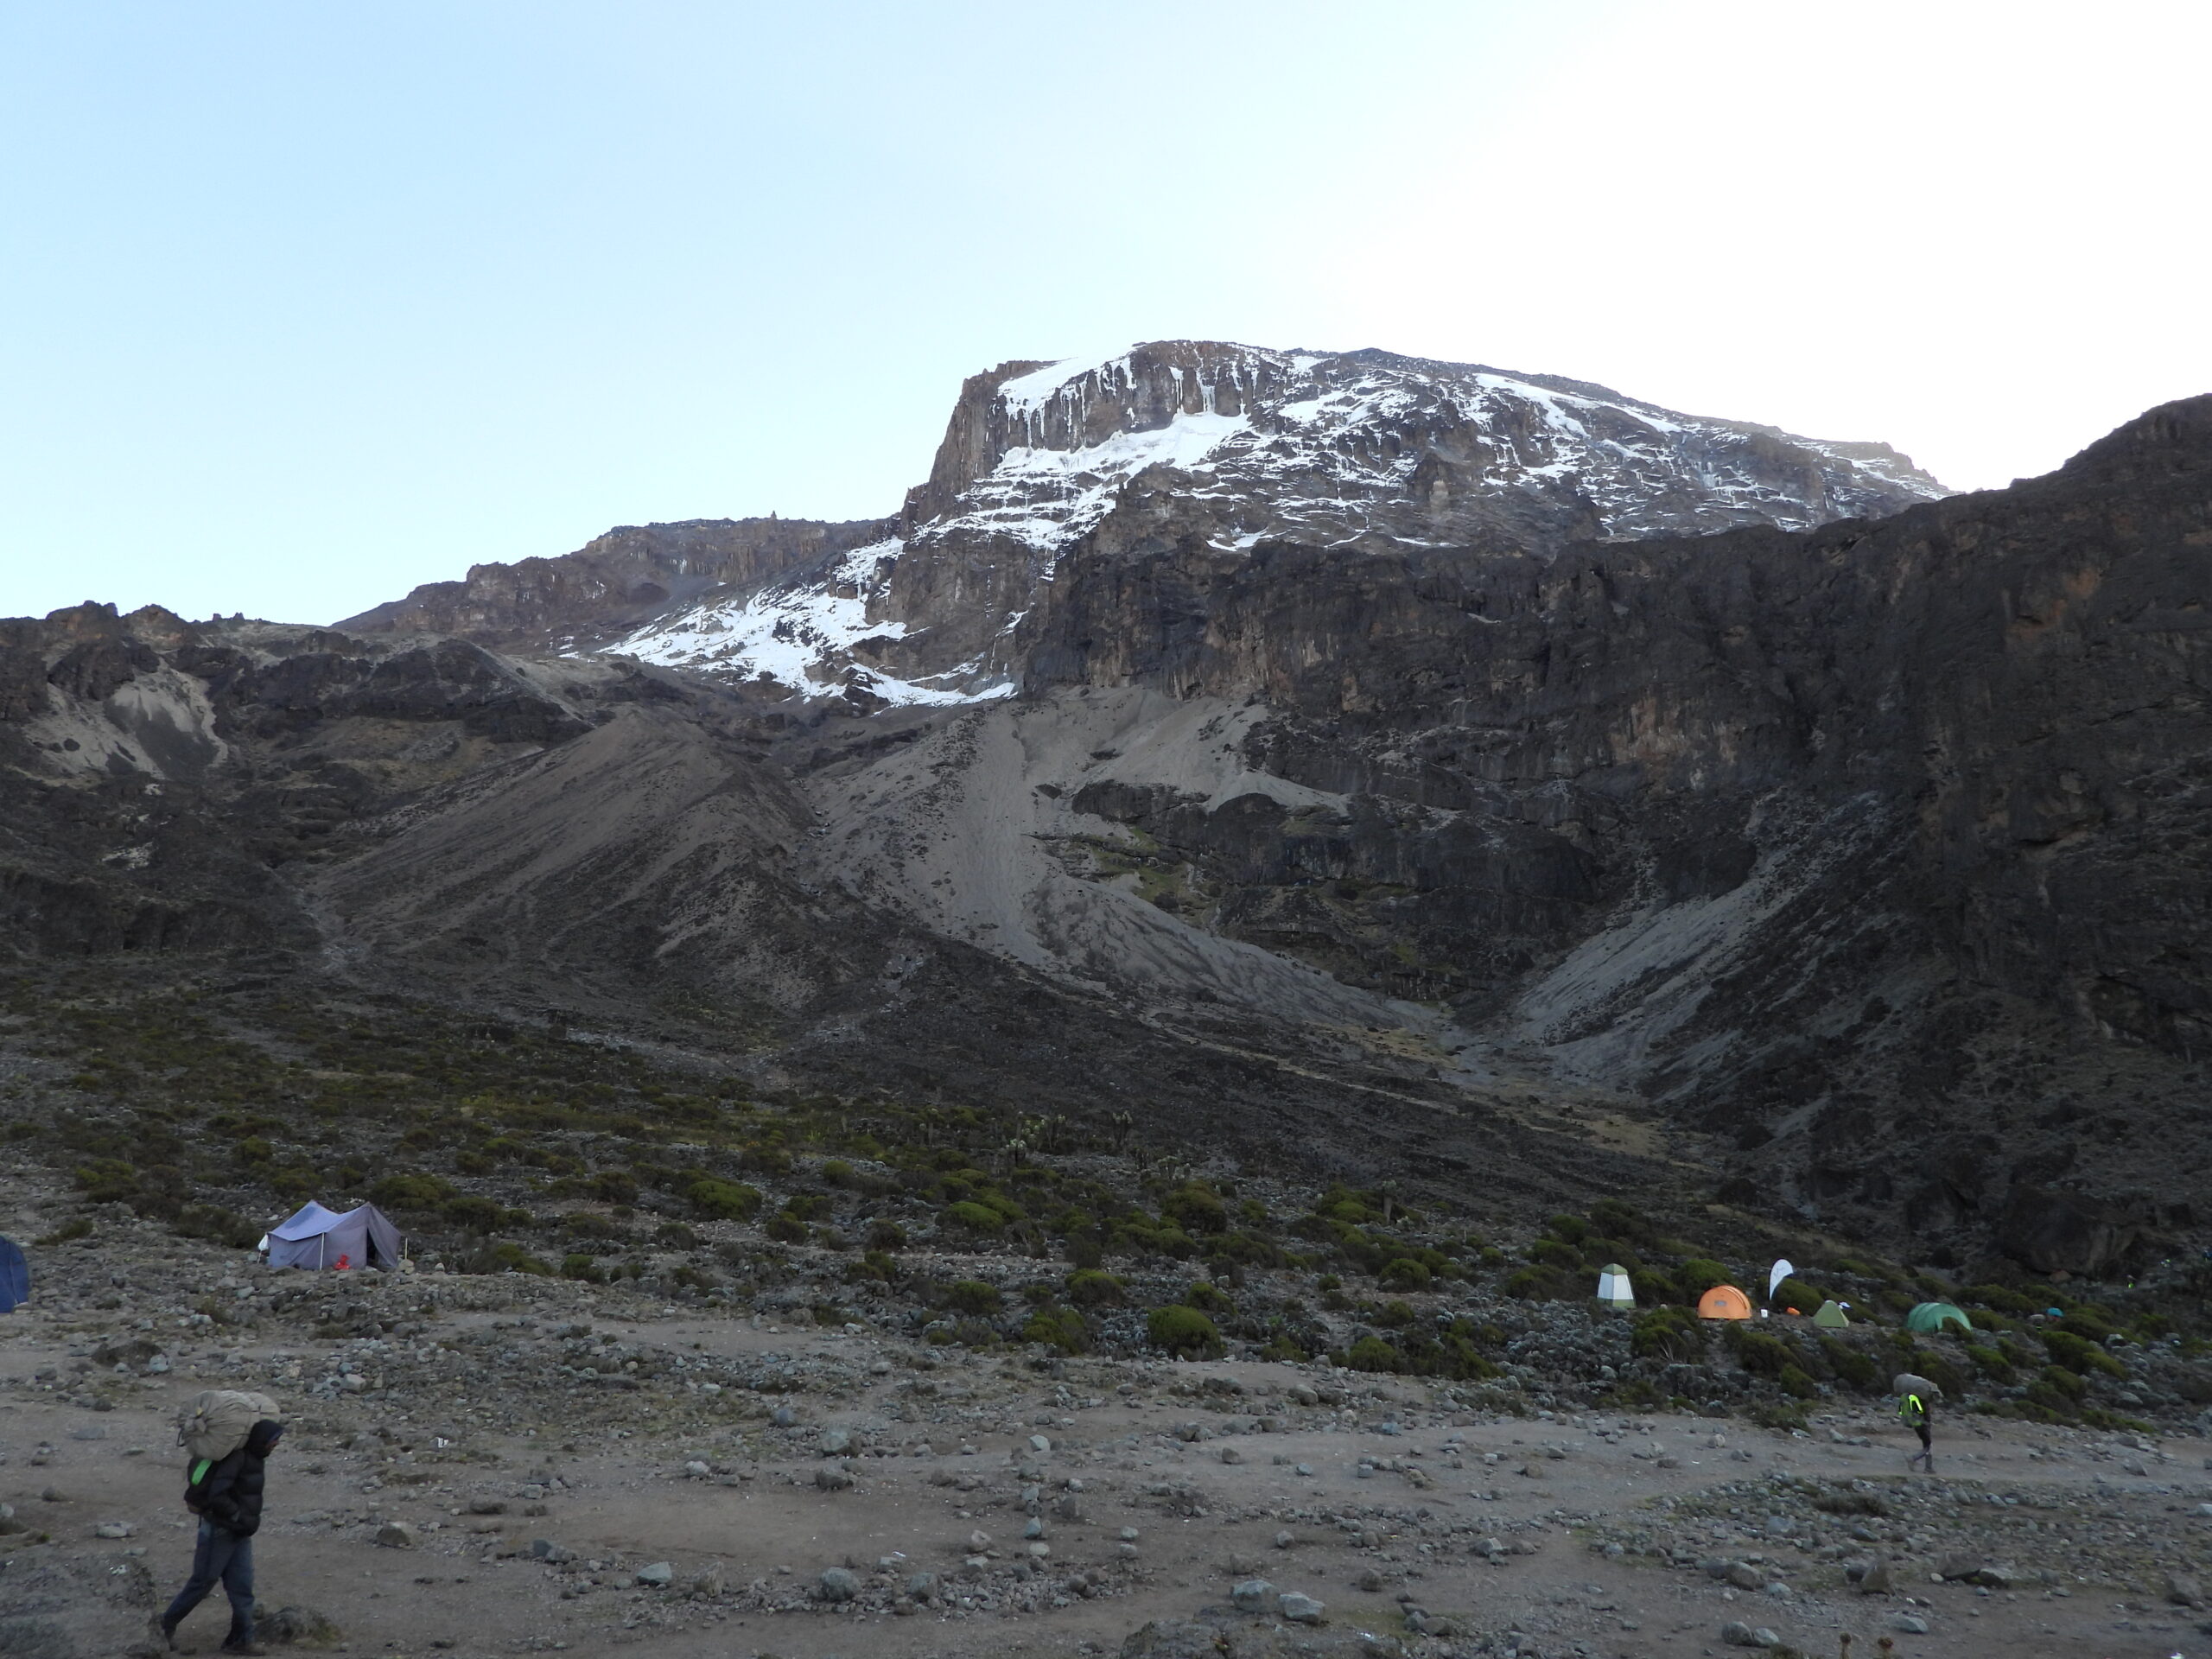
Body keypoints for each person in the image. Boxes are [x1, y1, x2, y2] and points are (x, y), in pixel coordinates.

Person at [157, 1417, 283, 1655]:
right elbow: (217, 1494)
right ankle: (163, 1626)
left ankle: (241, 1640)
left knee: (242, 1587)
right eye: (274, 1439)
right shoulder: (238, 1459)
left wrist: (242, 1523)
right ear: (262, 1440)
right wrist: (237, 1517)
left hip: (238, 1533)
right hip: (220, 1531)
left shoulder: (256, 1458)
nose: (276, 1444)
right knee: (202, 1583)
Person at [1898, 1389, 1933, 1471]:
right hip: (1921, 1423)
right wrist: (1928, 1420)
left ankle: (1928, 1467)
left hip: (1914, 1423)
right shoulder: (1917, 1398)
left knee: (1926, 1445)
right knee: (1928, 1446)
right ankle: (1915, 1459)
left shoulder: (1904, 1396)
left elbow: (1900, 1411)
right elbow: (1921, 1411)